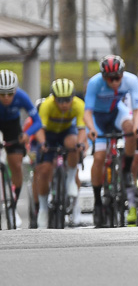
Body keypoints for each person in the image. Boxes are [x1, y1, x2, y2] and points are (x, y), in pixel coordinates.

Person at [83, 55, 138, 217]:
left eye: (117, 78)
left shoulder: (131, 80)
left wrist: (136, 127)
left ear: (122, 74)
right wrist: (91, 129)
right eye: (109, 78)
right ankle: (97, 200)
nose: (114, 82)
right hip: (98, 118)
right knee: (99, 157)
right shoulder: (94, 83)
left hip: (116, 112)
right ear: (103, 76)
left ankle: (126, 171)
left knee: (130, 129)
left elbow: (137, 110)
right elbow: (87, 113)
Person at [30, 78, 80, 229]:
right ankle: (42, 208)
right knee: (42, 170)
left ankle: (74, 205)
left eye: (67, 100)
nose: (64, 104)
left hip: (65, 135)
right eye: (60, 100)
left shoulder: (77, 106)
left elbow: (81, 130)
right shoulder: (45, 108)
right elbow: (37, 135)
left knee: (73, 155)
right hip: (48, 136)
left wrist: (81, 145)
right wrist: (41, 146)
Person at [0, 70, 40, 227]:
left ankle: (12, 206)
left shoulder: (22, 96)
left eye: (9, 94)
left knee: (16, 164)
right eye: (2, 94)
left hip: (12, 126)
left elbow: (37, 121)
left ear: (15, 91)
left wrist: (27, 134)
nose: (6, 98)